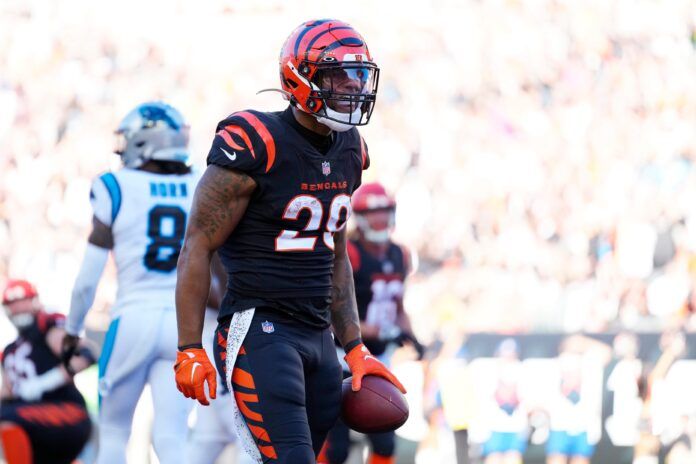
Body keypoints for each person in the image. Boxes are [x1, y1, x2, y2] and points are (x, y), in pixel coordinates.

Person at [174, 19, 405, 464]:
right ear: (299, 77)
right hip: (259, 328)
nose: (351, 88)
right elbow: (197, 246)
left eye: (357, 75)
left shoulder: (351, 148)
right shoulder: (256, 141)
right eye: (337, 75)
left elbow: (335, 255)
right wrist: (188, 346)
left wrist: (354, 345)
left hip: (318, 333)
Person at [62, 102, 199, 464]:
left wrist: (73, 328)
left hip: (133, 318)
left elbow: (87, 280)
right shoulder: (200, 183)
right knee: (172, 438)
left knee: (113, 433)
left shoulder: (115, 185)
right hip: (184, 324)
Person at [324, 182, 422, 464]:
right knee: (335, 448)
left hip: (379, 360)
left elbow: (399, 307)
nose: (379, 218)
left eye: (384, 211)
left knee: (386, 438)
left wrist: (410, 334)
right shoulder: (350, 253)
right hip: (343, 358)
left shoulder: (400, 254)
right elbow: (332, 310)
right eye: (372, 212)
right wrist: (368, 330)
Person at [0, 279, 94, 464]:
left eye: (22, 301)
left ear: (34, 300)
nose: (18, 308)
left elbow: (85, 355)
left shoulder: (46, 328)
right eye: (13, 304)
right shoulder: (10, 351)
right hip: (32, 420)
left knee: (5, 416)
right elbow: (8, 391)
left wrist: (45, 382)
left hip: (67, 411)